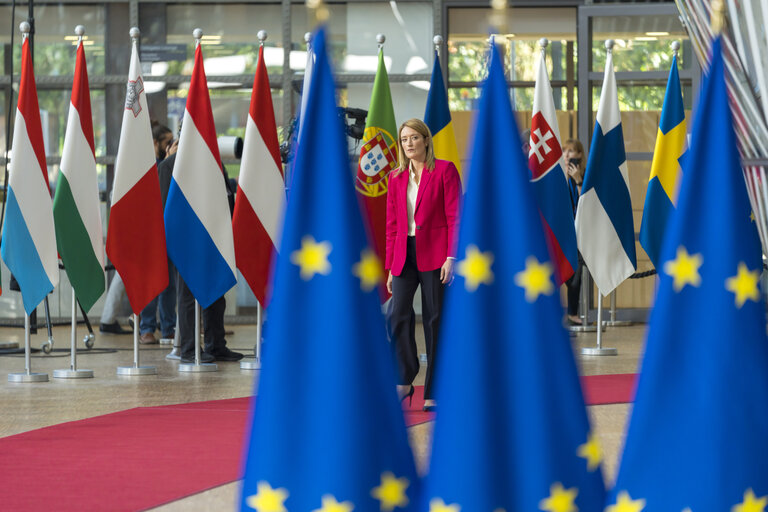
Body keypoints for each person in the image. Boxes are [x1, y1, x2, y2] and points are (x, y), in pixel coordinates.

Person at [385, 118, 461, 411]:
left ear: (426, 140)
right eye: (404, 139)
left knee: (435, 320)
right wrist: (392, 266)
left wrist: (451, 257)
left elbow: (455, 216)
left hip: (437, 255)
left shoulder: (444, 170)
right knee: (397, 315)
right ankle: (405, 378)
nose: (409, 144)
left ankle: (434, 389)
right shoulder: (395, 177)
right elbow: (391, 225)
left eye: (414, 138)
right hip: (404, 254)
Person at [137, 122, 178, 344]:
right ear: (155, 143)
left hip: (168, 228)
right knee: (152, 281)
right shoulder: (149, 164)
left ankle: (169, 326)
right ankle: (147, 327)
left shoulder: (168, 164)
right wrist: (168, 159)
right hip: (150, 229)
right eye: (167, 142)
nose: (171, 145)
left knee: (169, 282)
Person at [563, 138, 586, 325]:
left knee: (575, 272)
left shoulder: (585, 176)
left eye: (571, 151)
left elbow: (586, 206)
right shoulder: (555, 174)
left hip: (577, 234)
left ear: (579, 155)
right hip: (559, 233)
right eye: (564, 151)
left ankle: (572, 313)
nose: (567, 155)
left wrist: (579, 181)